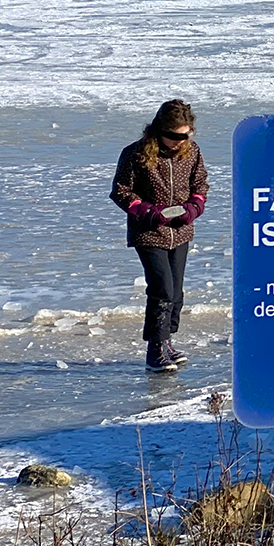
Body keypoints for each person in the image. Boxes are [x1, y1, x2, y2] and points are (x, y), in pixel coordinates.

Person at [111, 100, 208, 372]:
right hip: (149, 232)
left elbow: (200, 185)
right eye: (175, 136)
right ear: (159, 130)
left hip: (181, 231)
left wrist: (193, 208)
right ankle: (155, 349)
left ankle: (168, 342)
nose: (180, 141)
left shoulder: (192, 153)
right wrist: (150, 213)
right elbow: (121, 192)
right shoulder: (136, 154)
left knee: (176, 292)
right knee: (162, 288)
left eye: (185, 135)